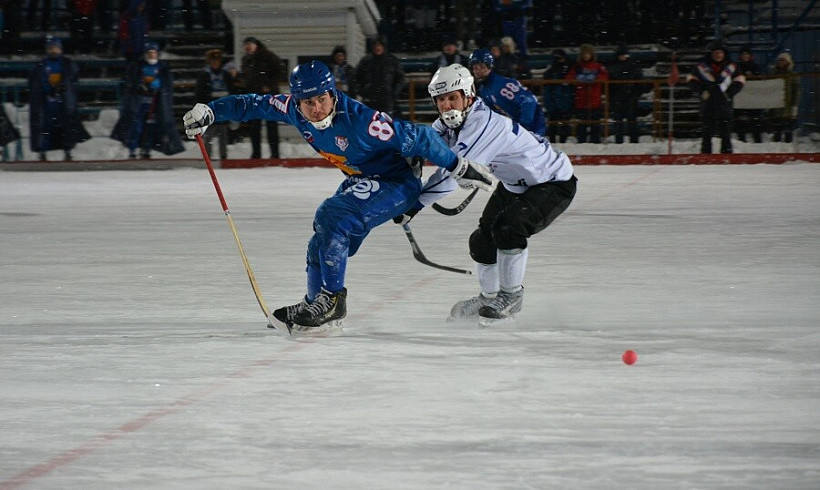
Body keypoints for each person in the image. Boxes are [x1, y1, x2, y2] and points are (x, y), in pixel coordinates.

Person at [182, 61, 492, 331]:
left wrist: (460, 167)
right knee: (321, 238)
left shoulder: (363, 122)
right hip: (364, 179)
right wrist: (211, 111)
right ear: (297, 102)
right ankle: (315, 304)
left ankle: (331, 303)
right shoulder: (293, 109)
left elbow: (422, 136)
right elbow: (252, 104)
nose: (316, 109)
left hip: (395, 182)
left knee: (332, 216)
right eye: (308, 103)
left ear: (332, 94)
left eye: (321, 100)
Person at [407, 64, 576, 326]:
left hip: (552, 182)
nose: (447, 105)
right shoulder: (448, 123)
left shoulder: (484, 124)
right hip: (515, 185)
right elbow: (426, 141)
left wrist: (412, 204)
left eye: (453, 97)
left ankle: (511, 296)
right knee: (482, 241)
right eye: (441, 100)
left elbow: (453, 176)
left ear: (468, 95)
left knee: (509, 229)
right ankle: (489, 297)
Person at [111, 41, 184, 159]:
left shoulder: (162, 68)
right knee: (136, 128)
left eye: (153, 53)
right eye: (149, 53)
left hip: (154, 104)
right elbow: (129, 83)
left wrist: (159, 87)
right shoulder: (137, 67)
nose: (151, 56)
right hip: (139, 104)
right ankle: (132, 149)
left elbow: (167, 86)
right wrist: (139, 86)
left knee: (150, 129)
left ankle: (146, 149)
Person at [28, 36, 90, 161]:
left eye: (56, 48)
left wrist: (62, 88)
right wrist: (48, 90)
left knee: (65, 126)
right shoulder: (41, 65)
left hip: (63, 103)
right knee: (45, 127)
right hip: (46, 103)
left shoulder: (67, 64)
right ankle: (42, 152)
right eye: (51, 48)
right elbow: (36, 82)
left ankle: (67, 151)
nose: (53, 50)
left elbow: (72, 79)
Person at [468, 49, 546, 137]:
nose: (478, 70)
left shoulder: (502, 84)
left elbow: (529, 101)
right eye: (475, 67)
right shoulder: (484, 91)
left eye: (482, 66)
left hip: (531, 129)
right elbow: (493, 114)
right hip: (515, 131)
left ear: (490, 66)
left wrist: (523, 127)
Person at [686, 45, 745, 154]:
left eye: (720, 53)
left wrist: (730, 93)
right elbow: (691, 80)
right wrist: (702, 91)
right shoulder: (701, 67)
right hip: (708, 102)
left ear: (724, 54)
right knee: (706, 132)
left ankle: (726, 154)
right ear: (711, 54)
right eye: (716, 53)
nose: (718, 56)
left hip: (724, 102)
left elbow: (740, 81)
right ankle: (705, 155)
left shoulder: (732, 67)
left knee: (726, 131)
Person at [241, 36, 284, 159]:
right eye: (246, 46)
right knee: (254, 127)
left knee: (271, 127)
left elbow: (280, 70)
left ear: (256, 45)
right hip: (254, 97)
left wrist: (270, 85)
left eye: (250, 45)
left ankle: (275, 154)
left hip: (269, 97)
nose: (248, 48)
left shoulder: (267, 56)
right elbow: (247, 78)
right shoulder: (246, 60)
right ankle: (256, 154)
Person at [195, 48, 240, 160]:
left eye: (217, 60)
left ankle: (223, 156)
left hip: (223, 108)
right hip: (209, 108)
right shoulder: (205, 75)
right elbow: (199, 93)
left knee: (223, 134)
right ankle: (207, 157)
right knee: (208, 134)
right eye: (213, 61)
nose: (215, 63)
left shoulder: (225, 74)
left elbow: (232, 90)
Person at [565, 43, 608, 143]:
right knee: (581, 125)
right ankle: (582, 143)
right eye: (584, 53)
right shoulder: (577, 67)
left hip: (595, 100)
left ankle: (596, 143)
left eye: (588, 53)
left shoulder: (598, 66)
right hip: (581, 101)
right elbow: (568, 78)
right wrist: (578, 78)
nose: (586, 56)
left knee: (595, 125)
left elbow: (605, 77)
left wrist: (594, 79)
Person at [355, 36, 405, 118]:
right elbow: (357, 78)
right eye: (376, 46)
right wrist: (363, 92)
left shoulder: (392, 61)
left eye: (380, 46)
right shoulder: (366, 61)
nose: (378, 48)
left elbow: (400, 78)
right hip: (370, 99)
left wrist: (394, 93)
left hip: (386, 99)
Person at [607, 44, 643, 143]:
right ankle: (619, 142)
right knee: (619, 122)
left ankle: (634, 142)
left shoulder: (633, 66)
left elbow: (639, 82)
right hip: (618, 98)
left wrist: (636, 94)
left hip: (630, 97)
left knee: (631, 122)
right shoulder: (614, 67)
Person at [542, 48, 574, 143]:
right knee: (554, 124)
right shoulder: (550, 72)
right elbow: (547, 90)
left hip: (563, 101)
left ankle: (561, 142)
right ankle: (554, 142)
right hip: (556, 101)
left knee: (562, 124)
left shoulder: (568, 71)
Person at [733, 46, 763, 143]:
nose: (745, 56)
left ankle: (757, 140)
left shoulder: (755, 66)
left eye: (747, 54)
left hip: (753, 97)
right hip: (741, 98)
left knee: (755, 120)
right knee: (740, 120)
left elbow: (759, 79)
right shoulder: (737, 67)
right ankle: (741, 140)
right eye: (743, 54)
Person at [770, 52, 798, 143]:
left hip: (788, 107)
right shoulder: (774, 74)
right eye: (780, 60)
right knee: (777, 129)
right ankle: (776, 145)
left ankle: (788, 146)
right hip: (776, 106)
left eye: (784, 61)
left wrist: (794, 107)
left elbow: (796, 92)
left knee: (788, 129)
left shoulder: (792, 76)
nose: (781, 62)